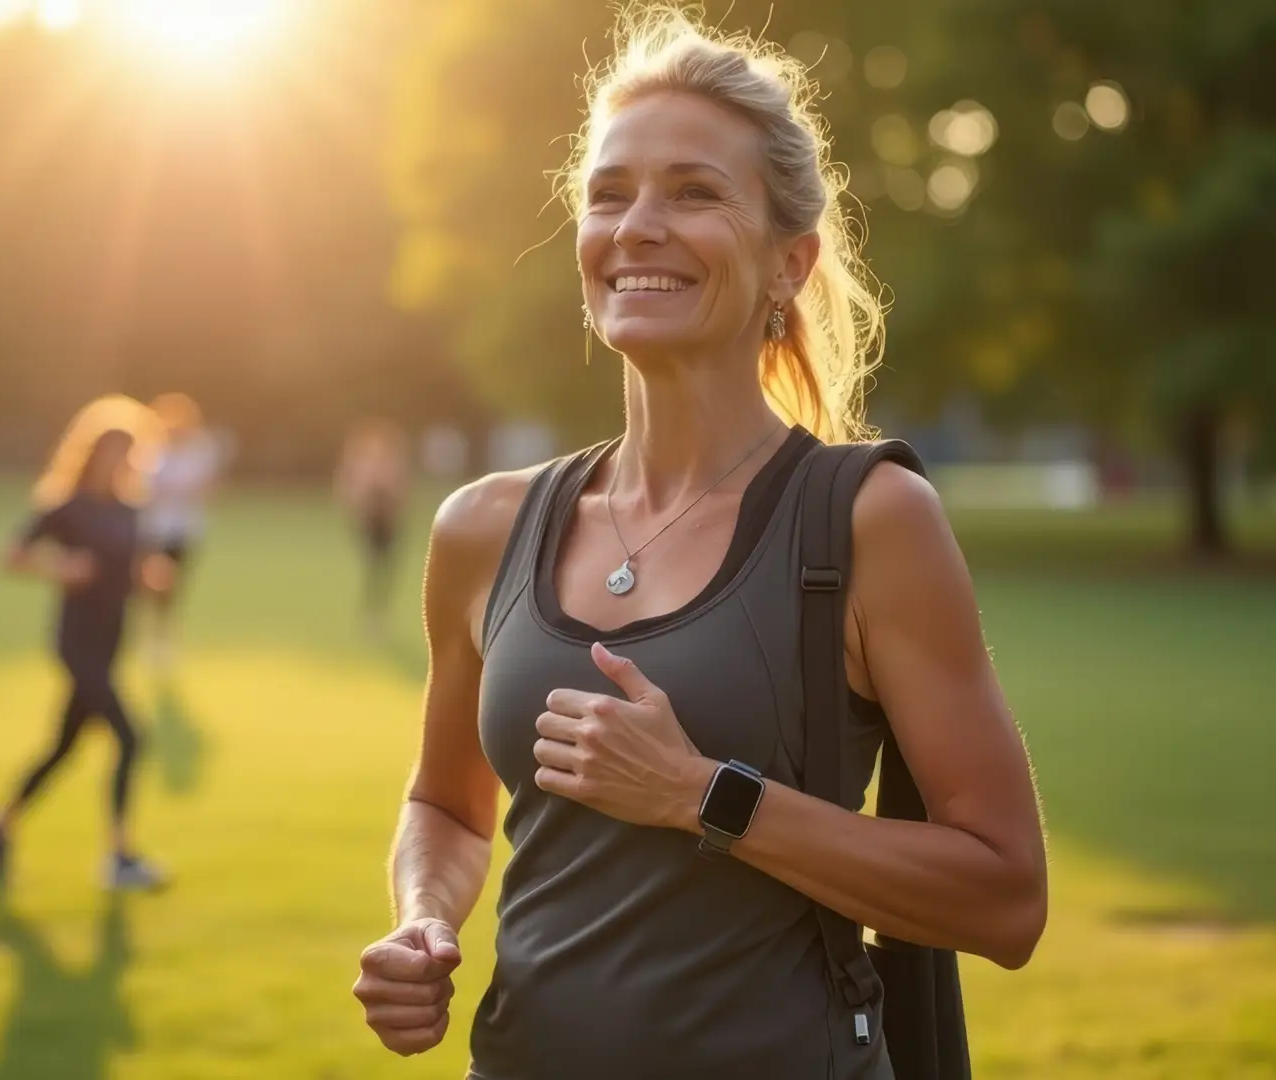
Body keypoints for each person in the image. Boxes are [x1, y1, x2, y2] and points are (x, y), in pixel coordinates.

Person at [351, 13, 1048, 1078]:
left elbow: (1006, 897)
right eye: (608, 192)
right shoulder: (482, 530)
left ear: (789, 263)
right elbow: (447, 804)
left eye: (694, 192)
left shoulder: (868, 519)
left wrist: (702, 795)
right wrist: (423, 920)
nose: (636, 225)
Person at [0, 395, 168, 892]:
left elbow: (134, 569)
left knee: (63, 748)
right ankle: (120, 858)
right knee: (130, 736)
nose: (122, 463)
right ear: (94, 454)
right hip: (76, 642)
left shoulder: (131, 510)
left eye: (130, 455)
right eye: (114, 454)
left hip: (109, 642)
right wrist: (60, 567)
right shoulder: (67, 508)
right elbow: (10, 556)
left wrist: (150, 577)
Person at [142, 392, 221, 667]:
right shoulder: (151, 452)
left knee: (172, 587)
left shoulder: (198, 453)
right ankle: (150, 637)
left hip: (184, 531)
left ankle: (163, 640)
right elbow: (144, 489)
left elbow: (207, 488)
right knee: (148, 585)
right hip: (154, 530)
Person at [333, 419, 411, 640]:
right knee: (375, 567)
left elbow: (400, 492)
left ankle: (377, 615)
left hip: (388, 521)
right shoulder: (363, 466)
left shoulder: (391, 466)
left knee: (385, 569)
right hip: (370, 521)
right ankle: (371, 616)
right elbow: (349, 492)